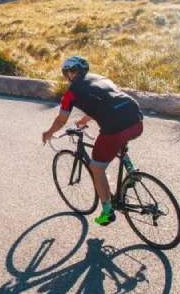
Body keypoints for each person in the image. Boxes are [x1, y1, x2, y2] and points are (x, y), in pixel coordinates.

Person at [42, 56, 144, 226]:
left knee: (97, 167)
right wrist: (84, 120)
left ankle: (107, 211)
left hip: (115, 127)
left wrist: (49, 132)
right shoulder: (100, 78)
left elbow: (61, 120)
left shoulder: (71, 93)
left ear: (69, 74)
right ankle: (131, 172)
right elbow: (107, 101)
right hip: (136, 119)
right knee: (116, 142)